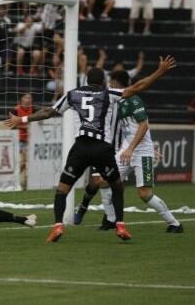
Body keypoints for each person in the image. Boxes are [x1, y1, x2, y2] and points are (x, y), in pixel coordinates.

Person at [4, 55, 177, 243]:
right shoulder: (108, 93)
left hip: (81, 147)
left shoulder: (73, 93)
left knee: (62, 189)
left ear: (86, 80)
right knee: (117, 186)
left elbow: (48, 111)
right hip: (102, 148)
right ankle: (119, 226)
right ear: (103, 81)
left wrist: (21, 120)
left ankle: (57, 227)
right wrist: (160, 71)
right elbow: (137, 87)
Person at [74, 70, 183, 233]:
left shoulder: (133, 99)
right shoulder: (117, 101)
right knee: (103, 180)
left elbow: (143, 125)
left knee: (144, 193)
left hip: (141, 153)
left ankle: (174, 224)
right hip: (127, 150)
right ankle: (111, 219)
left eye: (112, 81)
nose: (110, 84)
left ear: (118, 82)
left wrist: (138, 148)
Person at [11, 93, 35, 189]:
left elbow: (39, 117)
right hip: (18, 139)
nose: (28, 99)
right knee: (23, 161)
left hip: (29, 139)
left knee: (25, 162)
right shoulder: (15, 110)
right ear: (21, 99)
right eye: (26, 97)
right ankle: (17, 180)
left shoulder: (33, 109)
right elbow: (11, 125)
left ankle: (22, 181)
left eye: (30, 97)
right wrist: (25, 127)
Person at [0, 5, 13, 75]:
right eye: (0, 9)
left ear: (5, 11)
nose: (1, 11)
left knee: (9, 49)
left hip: (5, 42)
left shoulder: (8, 20)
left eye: (3, 9)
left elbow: (10, 31)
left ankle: (6, 71)